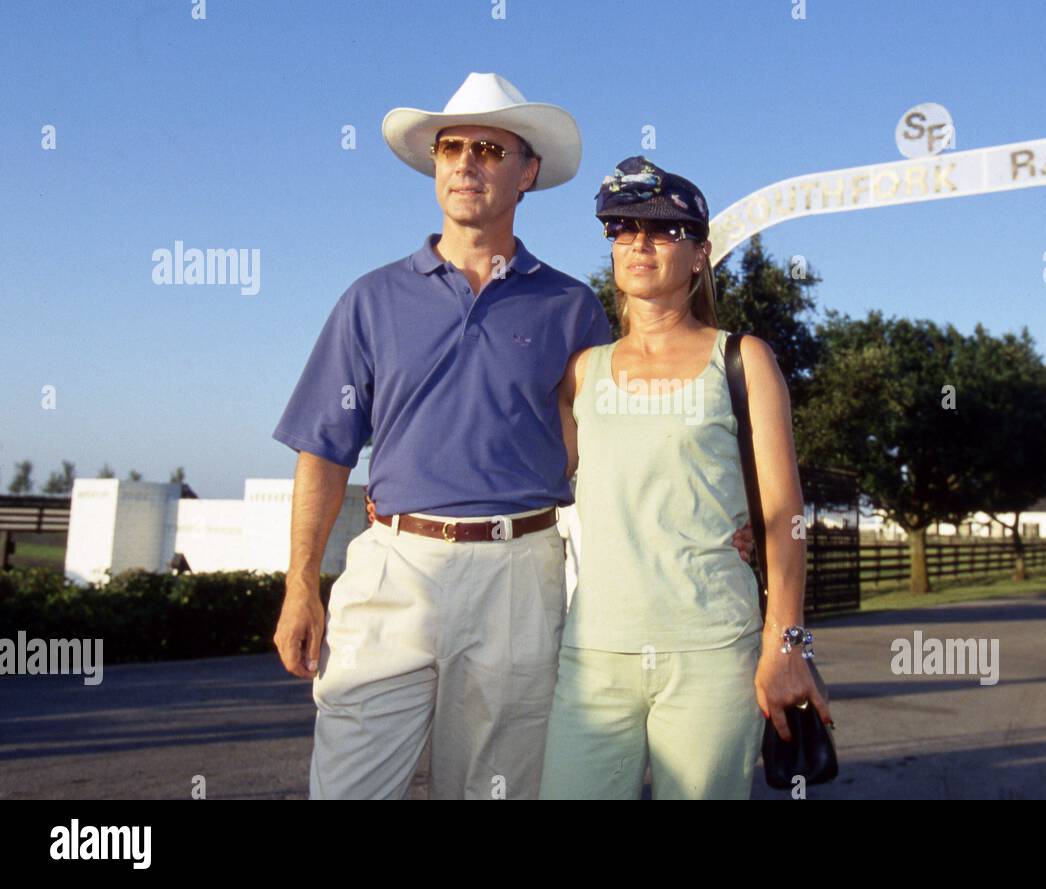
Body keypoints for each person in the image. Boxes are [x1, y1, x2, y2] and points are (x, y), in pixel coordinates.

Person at [273, 73, 750, 800]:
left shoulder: (572, 308)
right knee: (348, 787)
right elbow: (324, 449)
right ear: (436, 165)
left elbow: (645, 429)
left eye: (489, 150)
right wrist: (301, 583)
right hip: (393, 570)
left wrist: (724, 519)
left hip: (520, 576)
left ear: (526, 172)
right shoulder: (370, 299)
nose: (466, 162)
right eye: (452, 147)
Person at [537, 157, 832, 799]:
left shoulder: (743, 359)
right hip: (593, 656)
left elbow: (783, 515)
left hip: (712, 651)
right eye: (623, 228)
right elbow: (531, 482)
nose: (639, 242)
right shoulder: (582, 371)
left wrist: (786, 641)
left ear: (700, 255)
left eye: (663, 230)